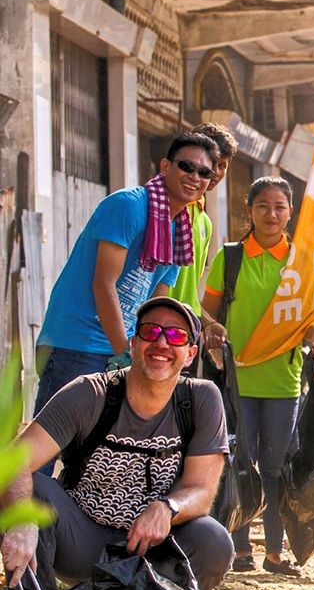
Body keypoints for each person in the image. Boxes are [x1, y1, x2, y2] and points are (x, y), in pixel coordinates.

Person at [1, 297, 233, 590]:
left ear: (190, 354)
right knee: (34, 491)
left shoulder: (200, 400)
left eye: (176, 336)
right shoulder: (89, 393)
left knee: (214, 540)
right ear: (133, 343)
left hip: (153, 546)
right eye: (151, 331)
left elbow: (202, 491)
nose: (162, 343)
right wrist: (21, 518)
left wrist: (168, 507)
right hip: (82, 540)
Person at [33, 132, 219, 474]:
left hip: (121, 350)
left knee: (94, 461)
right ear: (165, 167)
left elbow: (158, 302)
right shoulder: (129, 205)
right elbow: (103, 284)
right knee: (41, 458)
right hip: (77, 344)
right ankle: (18, 529)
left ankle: (64, 528)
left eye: (204, 172)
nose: (195, 177)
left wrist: (153, 350)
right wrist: (125, 351)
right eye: (186, 166)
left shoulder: (179, 231)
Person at [200, 177, 314, 577]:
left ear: (290, 212)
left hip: (283, 379)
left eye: (279, 207)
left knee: (274, 466)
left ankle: (275, 552)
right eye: (262, 207)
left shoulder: (301, 262)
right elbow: (206, 314)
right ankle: (239, 549)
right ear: (249, 210)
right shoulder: (230, 258)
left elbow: (306, 320)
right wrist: (212, 333)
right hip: (237, 381)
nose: (271, 215)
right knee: (241, 461)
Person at [167, 122, 238, 316]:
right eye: (210, 164)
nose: (215, 172)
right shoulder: (162, 208)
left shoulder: (204, 221)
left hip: (182, 330)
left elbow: (189, 291)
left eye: (222, 166)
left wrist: (208, 324)